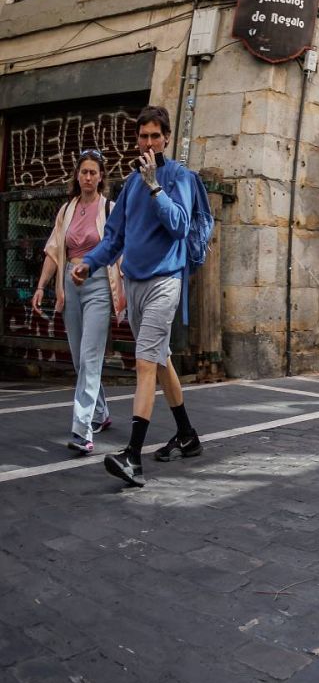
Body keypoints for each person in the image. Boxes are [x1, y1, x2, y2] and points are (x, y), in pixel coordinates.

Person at [75, 106, 204, 488]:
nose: (149, 142)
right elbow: (114, 237)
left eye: (155, 136)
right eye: (143, 136)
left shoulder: (178, 176)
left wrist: (155, 186)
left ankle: (132, 456)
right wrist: (88, 262)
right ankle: (188, 434)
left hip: (165, 281)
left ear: (165, 137)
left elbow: (180, 225)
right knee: (160, 359)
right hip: (134, 283)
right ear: (138, 139)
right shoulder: (130, 184)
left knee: (144, 362)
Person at [34, 150, 123, 455]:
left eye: (93, 173)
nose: (87, 177)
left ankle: (82, 429)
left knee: (91, 355)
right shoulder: (67, 210)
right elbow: (54, 250)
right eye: (83, 172)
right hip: (70, 284)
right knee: (78, 358)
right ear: (77, 175)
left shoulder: (109, 208)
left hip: (98, 282)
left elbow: (118, 247)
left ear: (101, 177)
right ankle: (100, 413)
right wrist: (42, 285)